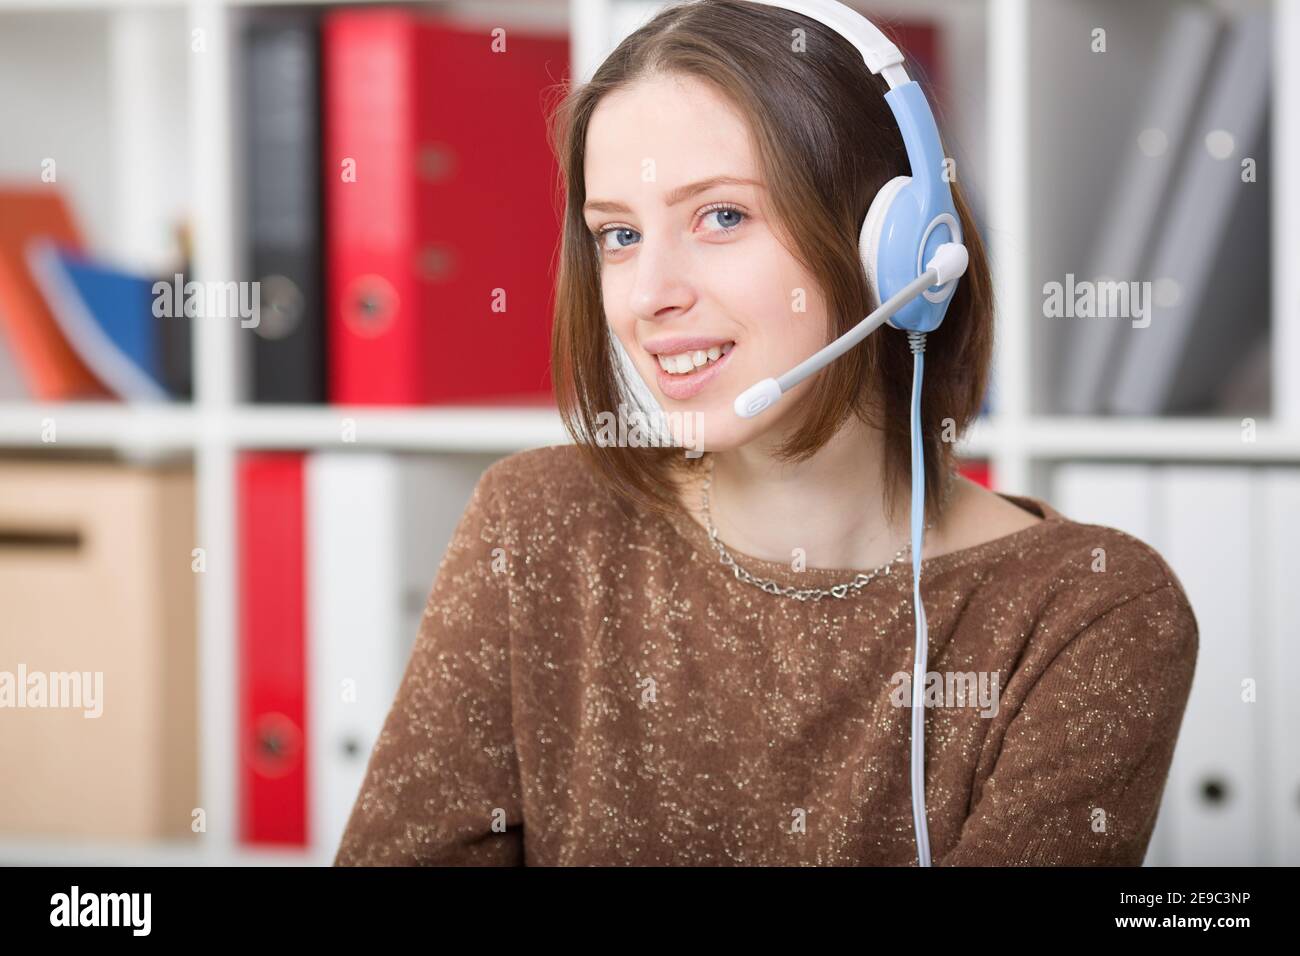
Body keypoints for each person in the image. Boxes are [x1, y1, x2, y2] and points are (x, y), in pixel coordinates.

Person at [334, 0, 1198, 866]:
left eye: (721, 216)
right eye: (621, 235)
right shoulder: (537, 523)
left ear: (897, 249)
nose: (648, 296)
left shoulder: (1089, 610)